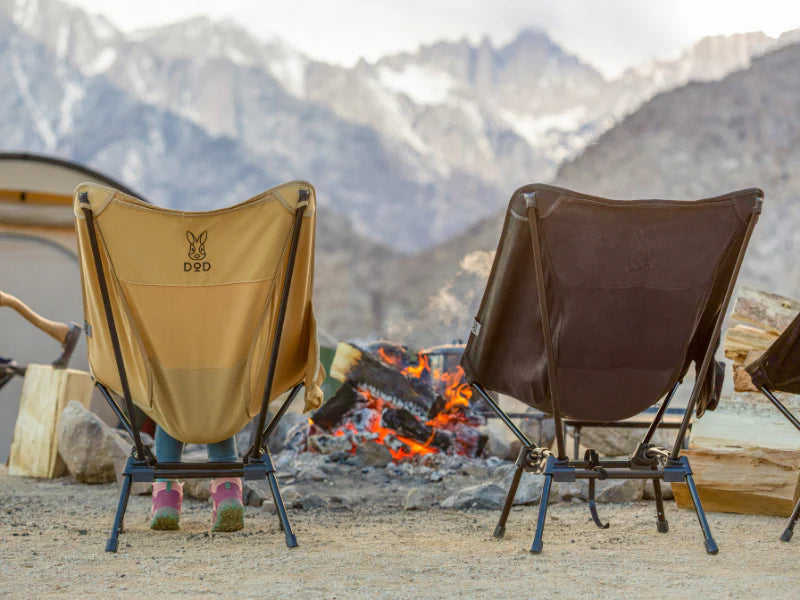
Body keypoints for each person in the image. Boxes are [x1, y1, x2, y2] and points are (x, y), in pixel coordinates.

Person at [149, 426, 244, 532]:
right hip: (217, 417)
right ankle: (228, 493)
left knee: (166, 416)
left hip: (177, 418)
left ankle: (166, 500)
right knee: (219, 415)